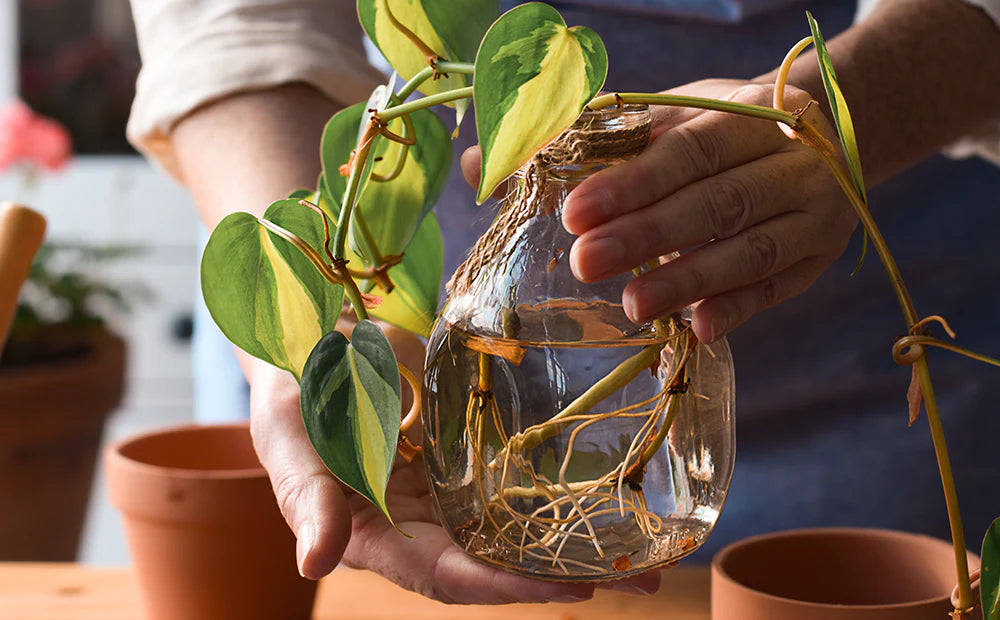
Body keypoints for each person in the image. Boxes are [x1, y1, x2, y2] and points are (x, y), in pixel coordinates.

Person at [127, 0, 1000, 605]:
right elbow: (232, 24)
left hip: (884, 327)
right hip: (403, 348)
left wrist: (840, 115)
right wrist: (315, 337)